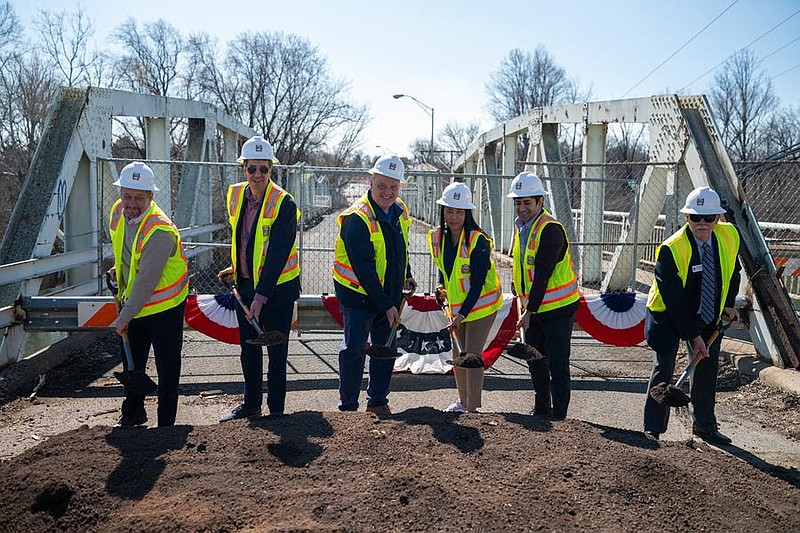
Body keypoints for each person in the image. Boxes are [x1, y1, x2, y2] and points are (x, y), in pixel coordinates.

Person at [643, 186, 740, 445]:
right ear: (687, 218)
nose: (703, 223)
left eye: (709, 218)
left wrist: (729, 304)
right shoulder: (671, 249)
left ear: (718, 218)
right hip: (667, 314)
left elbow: (733, 271)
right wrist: (693, 336)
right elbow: (674, 302)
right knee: (663, 368)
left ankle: (705, 426)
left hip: (708, 311)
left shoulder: (730, 236)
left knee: (707, 370)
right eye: (696, 217)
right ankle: (652, 429)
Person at [218, 135, 300, 422]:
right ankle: (251, 405)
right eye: (252, 168)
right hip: (246, 284)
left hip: (278, 289)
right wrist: (236, 267)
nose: (257, 175)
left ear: (271, 170)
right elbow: (243, 239)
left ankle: (276, 411)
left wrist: (261, 297)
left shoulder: (283, 202)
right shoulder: (235, 195)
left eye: (263, 169)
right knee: (249, 349)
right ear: (244, 169)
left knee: (277, 351)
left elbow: (277, 253)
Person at [332, 154, 415, 415]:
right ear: (371, 182)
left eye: (393, 187)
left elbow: (400, 248)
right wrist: (387, 305)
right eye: (382, 186)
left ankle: (378, 401)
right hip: (357, 295)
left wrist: (406, 274)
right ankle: (348, 407)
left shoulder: (399, 210)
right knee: (354, 349)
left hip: (387, 294)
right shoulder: (357, 218)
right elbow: (365, 271)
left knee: (385, 348)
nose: (388, 193)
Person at [108, 161, 189, 427]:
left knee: (167, 369)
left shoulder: (161, 231)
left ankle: (166, 425)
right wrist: (117, 270)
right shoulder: (118, 212)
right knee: (133, 365)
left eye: (138, 198)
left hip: (164, 307)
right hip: (134, 302)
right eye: (127, 195)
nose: (131, 203)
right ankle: (132, 414)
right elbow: (127, 250)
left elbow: (147, 279)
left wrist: (124, 316)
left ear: (151, 197)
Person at [507, 171, 580, 420]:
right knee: (535, 360)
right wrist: (519, 294)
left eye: (527, 202)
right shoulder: (521, 228)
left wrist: (530, 311)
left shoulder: (550, 229)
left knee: (558, 363)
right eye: (518, 202)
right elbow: (521, 267)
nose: (522, 207)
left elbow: (543, 273)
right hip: (534, 307)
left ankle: (559, 415)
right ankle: (541, 408)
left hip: (558, 308)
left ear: (540, 202)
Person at [428, 182, 503, 413]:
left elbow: (478, 283)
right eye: (449, 211)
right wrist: (441, 287)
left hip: (481, 305)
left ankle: (472, 408)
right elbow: (444, 269)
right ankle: (462, 402)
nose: (453, 217)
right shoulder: (438, 237)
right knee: (458, 354)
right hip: (458, 307)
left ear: (467, 213)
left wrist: (461, 315)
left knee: (471, 354)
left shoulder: (477, 240)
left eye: (459, 212)